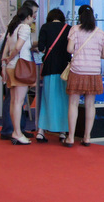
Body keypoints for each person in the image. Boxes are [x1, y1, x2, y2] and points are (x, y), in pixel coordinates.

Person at [65, 4, 104, 147]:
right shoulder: (100, 33)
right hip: (93, 72)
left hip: (77, 70)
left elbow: (69, 49)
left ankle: (70, 137)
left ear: (80, 16)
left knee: (73, 103)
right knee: (90, 104)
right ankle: (87, 137)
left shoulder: (75, 29)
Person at [0, 0, 39, 141]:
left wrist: (5, 64)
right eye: (33, 15)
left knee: (13, 101)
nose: (34, 18)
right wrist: (10, 58)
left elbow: (6, 49)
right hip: (20, 67)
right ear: (28, 16)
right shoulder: (25, 28)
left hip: (11, 67)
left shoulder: (13, 28)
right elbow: (17, 48)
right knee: (18, 101)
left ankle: (15, 131)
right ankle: (17, 133)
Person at [36, 8, 71, 143]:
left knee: (47, 99)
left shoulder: (45, 27)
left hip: (49, 67)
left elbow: (41, 48)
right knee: (64, 100)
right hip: (64, 70)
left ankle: (41, 131)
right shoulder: (68, 28)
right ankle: (62, 131)